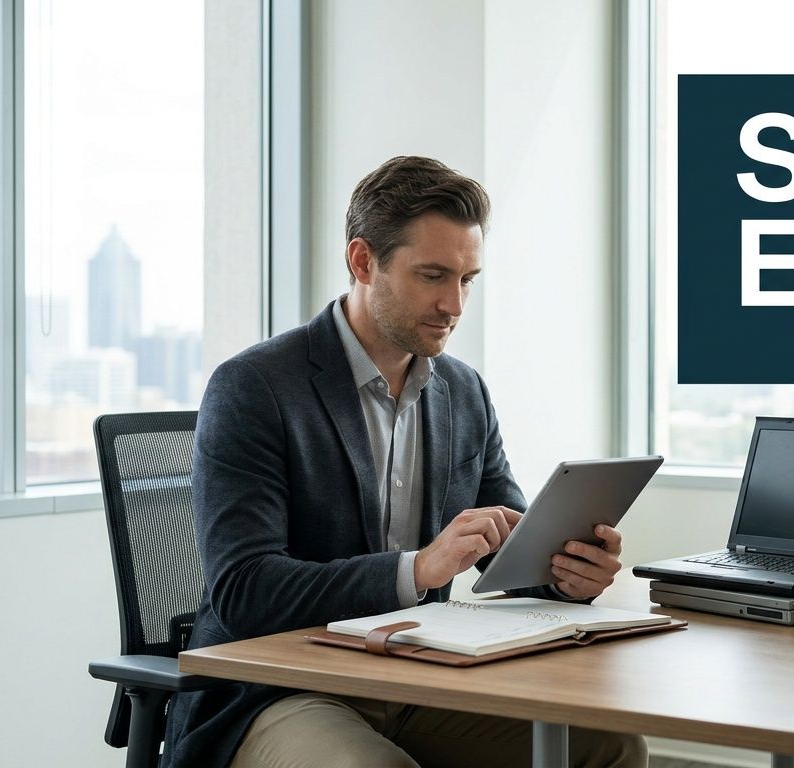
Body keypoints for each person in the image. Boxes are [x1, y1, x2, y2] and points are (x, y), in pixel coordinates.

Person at [160, 156, 647, 768]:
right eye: (433, 276)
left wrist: (566, 572)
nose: (455, 304)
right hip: (280, 690)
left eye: (468, 279)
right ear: (363, 261)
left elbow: (510, 540)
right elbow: (244, 590)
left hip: (418, 676)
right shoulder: (254, 387)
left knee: (606, 747)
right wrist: (417, 569)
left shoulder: (462, 391)